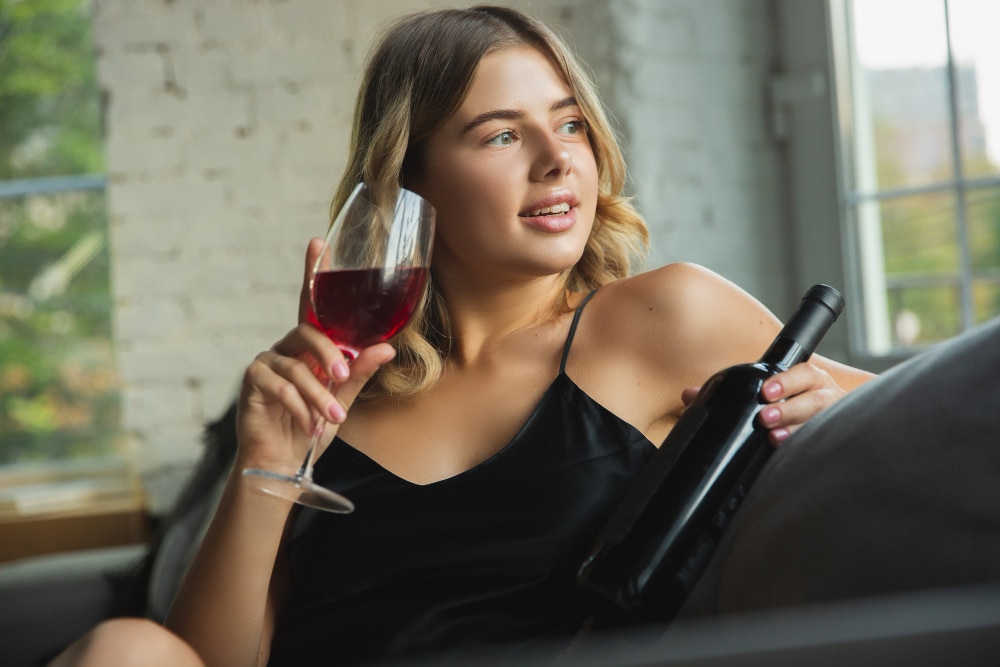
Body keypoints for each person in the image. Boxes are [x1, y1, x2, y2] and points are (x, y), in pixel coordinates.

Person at [47, 5, 873, 667]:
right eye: (503, 134)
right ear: (413, 181)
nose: (557, 159)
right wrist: (265, 460)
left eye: (572, 124)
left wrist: (829, 404)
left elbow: (921, 412)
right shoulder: (336, 387)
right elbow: (211, 658)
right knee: (128, 648)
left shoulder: (661, 318)